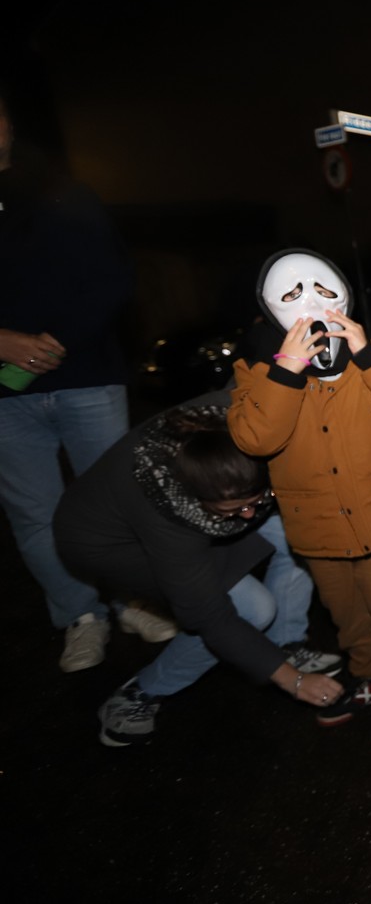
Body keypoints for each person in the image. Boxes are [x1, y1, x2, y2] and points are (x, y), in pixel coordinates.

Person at [227, 248, 371, 754]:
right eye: (290, 294)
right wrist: (287, 370)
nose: (309, 303)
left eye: (323, 290)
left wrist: (367, 354)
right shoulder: (257, 371)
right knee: (346, 615)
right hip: (317, 522)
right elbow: (255, 437)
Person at [0, 86, 179, 672]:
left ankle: (132, 600)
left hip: (87, 378)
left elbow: (113, 277)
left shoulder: (65, 193)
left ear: (9, 124)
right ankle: (80, 616)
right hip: (4, 395)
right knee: (35, 515)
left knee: (117, 500)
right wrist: (4, 344)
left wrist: (52, 343)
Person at [53, 394, 345, 746]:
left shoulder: (245, 423)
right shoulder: (169, 513)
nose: (249, 515)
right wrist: (291, 681)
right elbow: (207, 615)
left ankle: (284, 642)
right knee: (253, 609)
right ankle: (141, 692)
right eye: (236, 509)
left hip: (202, 504)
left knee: (303, 536)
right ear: (199, 501)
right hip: (110, 543)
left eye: (254, 503)